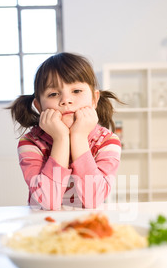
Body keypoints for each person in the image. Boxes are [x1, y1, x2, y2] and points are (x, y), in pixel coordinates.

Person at [8, 52, 122, 210]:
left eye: (76, 91)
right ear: (39, 106)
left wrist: (79, 138)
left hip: (87, 225)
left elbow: (93, 200)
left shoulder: (108, 142)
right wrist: (61, 139)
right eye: (53, 94)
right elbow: (46, 203)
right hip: (45, 226)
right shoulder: (31, 143)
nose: (66, 100)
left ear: (94, 99)